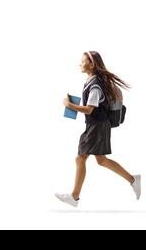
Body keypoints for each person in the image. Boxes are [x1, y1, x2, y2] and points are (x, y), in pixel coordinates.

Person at [55, 51, 140, 207]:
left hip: (97, 126)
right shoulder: (92, 81)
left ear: (92, 64)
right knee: (100, 160)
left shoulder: (95, 85)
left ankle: (74, 197)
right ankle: (133, 180)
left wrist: (69, 105)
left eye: (82, 61)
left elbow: (89, 109)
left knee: (81, 158)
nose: (79, 64)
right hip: (97, 125)